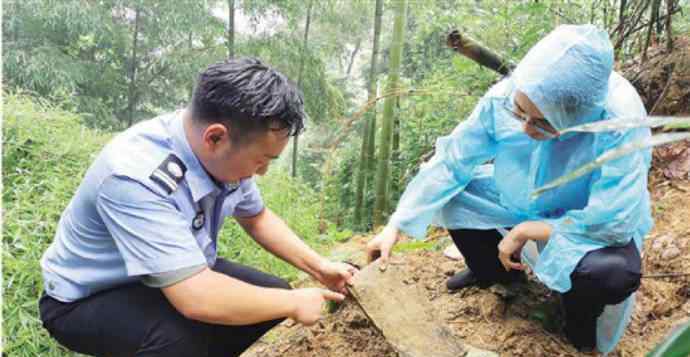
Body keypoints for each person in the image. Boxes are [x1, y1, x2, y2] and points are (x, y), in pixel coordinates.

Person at [39, 57, 357, 357]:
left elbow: (256, 217)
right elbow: (196, 297)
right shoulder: (133, 175)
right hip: (89, 297)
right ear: (215, 137)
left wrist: (319, 267)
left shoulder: (223, 151)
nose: (262, 172)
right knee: (178, 336)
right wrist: (293, 302)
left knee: (269, 294)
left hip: (170, 271)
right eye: (261, 160)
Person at [366, 24, 651, 353]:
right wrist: (396, 225)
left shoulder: (618, 122)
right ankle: (495, 273)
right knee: (452, 192)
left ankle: (577, 315)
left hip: (580, 217)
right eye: (520, 114)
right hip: (519, 195)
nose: (526, 128)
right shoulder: (508, 95)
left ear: (577, 117)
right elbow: (453, 160)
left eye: (543, 123)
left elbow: (612, 219)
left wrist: (533, 230)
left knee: (610, 273)